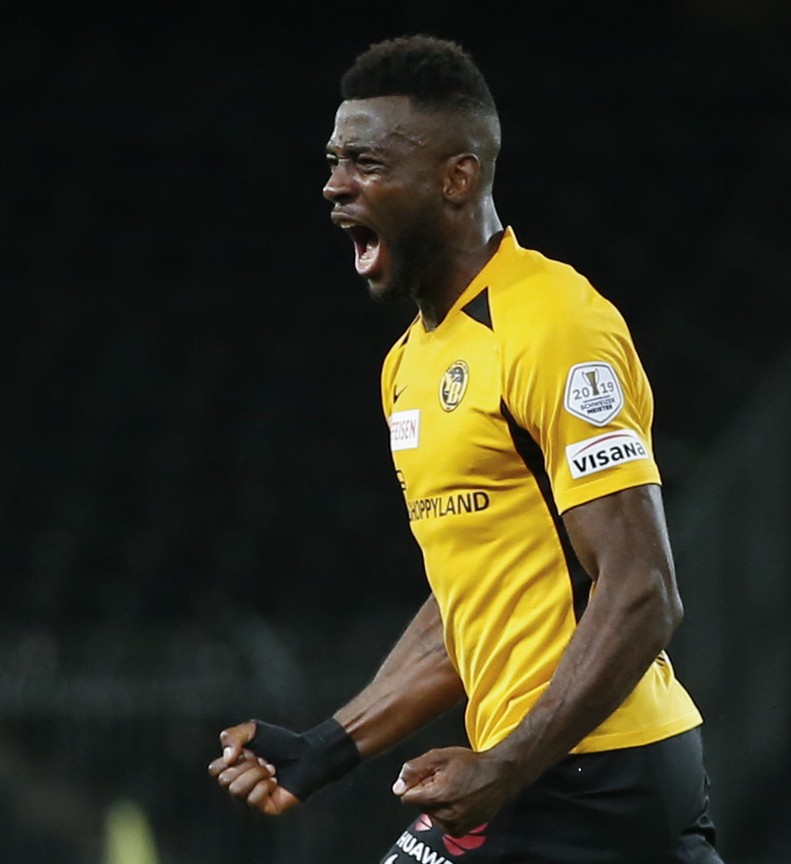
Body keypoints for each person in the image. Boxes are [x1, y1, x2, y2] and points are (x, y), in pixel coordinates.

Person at [207, 34, 723, 864]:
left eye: (368, 162)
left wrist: (507, 763)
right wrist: (327, 745)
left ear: (458, 177)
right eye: (335, 160)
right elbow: (470, 603)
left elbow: (642, 588)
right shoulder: (408, 364)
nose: (336, 185)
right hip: (542, 776)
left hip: (596, 773)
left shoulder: (552, 322)